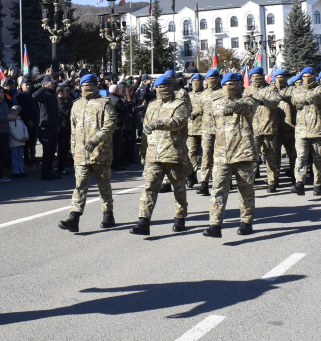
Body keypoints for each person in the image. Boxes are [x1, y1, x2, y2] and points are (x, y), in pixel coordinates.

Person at [131, 74, 189, 236]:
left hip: (173, 153)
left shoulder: (180, 105)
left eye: (164, 88)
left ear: (170, 88)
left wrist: (159, 124)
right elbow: (145, 131)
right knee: (149, 188)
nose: (160, 90)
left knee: (178, 188)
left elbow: (178, 123)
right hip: (153, 154)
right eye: (158, 88)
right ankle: (144, 221)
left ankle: (180, 217)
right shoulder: (152, 105)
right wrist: (143, 151)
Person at [58, 74, 117, 233]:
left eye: (90, 84)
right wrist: (73, 149)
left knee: (103, 186)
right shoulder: (76, 105)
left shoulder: (105, 103)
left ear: (95, 85)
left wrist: (95, 140)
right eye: (84, 85)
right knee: (80, 186)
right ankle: (74, 218)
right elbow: (73, 130)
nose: (86, 87)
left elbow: (110, 125)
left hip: (101, 153)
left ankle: (108, 215)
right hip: (81, 155)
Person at [204, 72, 259, 238]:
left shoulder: (249, 99)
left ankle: (246, 222)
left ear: (240, 84)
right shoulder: (216, 103)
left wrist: (234, 107)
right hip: (221, 154)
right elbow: (212, 127)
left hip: (243, 153)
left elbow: (247, 107)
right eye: (226, 83)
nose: (229, 86)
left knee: (246, 190)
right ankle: (215, 225)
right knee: (218, 190)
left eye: (232, 83)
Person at [289, 67, 321, 196]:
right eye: (304, 76)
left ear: (314, 76)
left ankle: (318, 184)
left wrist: (306, 100)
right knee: (301, 157)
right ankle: (299, 182)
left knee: (319, 159)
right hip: (301, 130)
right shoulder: (296, 91)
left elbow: (318, 97)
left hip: (317, 129)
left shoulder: (320, 88)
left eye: (309, 76)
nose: (306, 78)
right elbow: (293, 106)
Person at [246, 67, 282, 192]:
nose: (257, 78)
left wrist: (262, 101)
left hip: (268, 128)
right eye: (254, 76)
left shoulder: (271, 89)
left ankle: (272, 182)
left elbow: (275, 102)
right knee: (252, 158)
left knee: (270, 157)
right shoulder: (247, 90)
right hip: (251, 130)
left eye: (259, 76)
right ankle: (250, 181)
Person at [197, 69, 222, 196]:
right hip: (206, 130)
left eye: (214, 77)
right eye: (209, 78)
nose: (211, 80)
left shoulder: (224, 93)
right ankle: (204, 183)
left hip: (221, 130)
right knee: (206, 156)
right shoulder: (203, 95)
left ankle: (221, 182)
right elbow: (198, 111)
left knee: (220, 157)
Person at [56, 84, 73, 175]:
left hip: (66, 126)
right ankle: (60, 168)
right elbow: (67, 112)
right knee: (63, 148)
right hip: (63, 127)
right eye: (65, 91)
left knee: (65, 148)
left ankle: (62, 167)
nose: (67, 93)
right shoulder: (60, 101)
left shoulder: (63, 100)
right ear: (60, 93)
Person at [9, 105, 28, 178]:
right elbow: (12, 131)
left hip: (22, 141)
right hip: (15, 142)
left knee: (20, 157)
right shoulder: (11, 120)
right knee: (15, 157)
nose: (16, 112)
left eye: (17, 111)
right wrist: (20, 138)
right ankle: (15, 172)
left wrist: (26, 136)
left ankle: (21, 171)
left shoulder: (20, 119)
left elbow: (25, 128)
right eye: (14, 110)